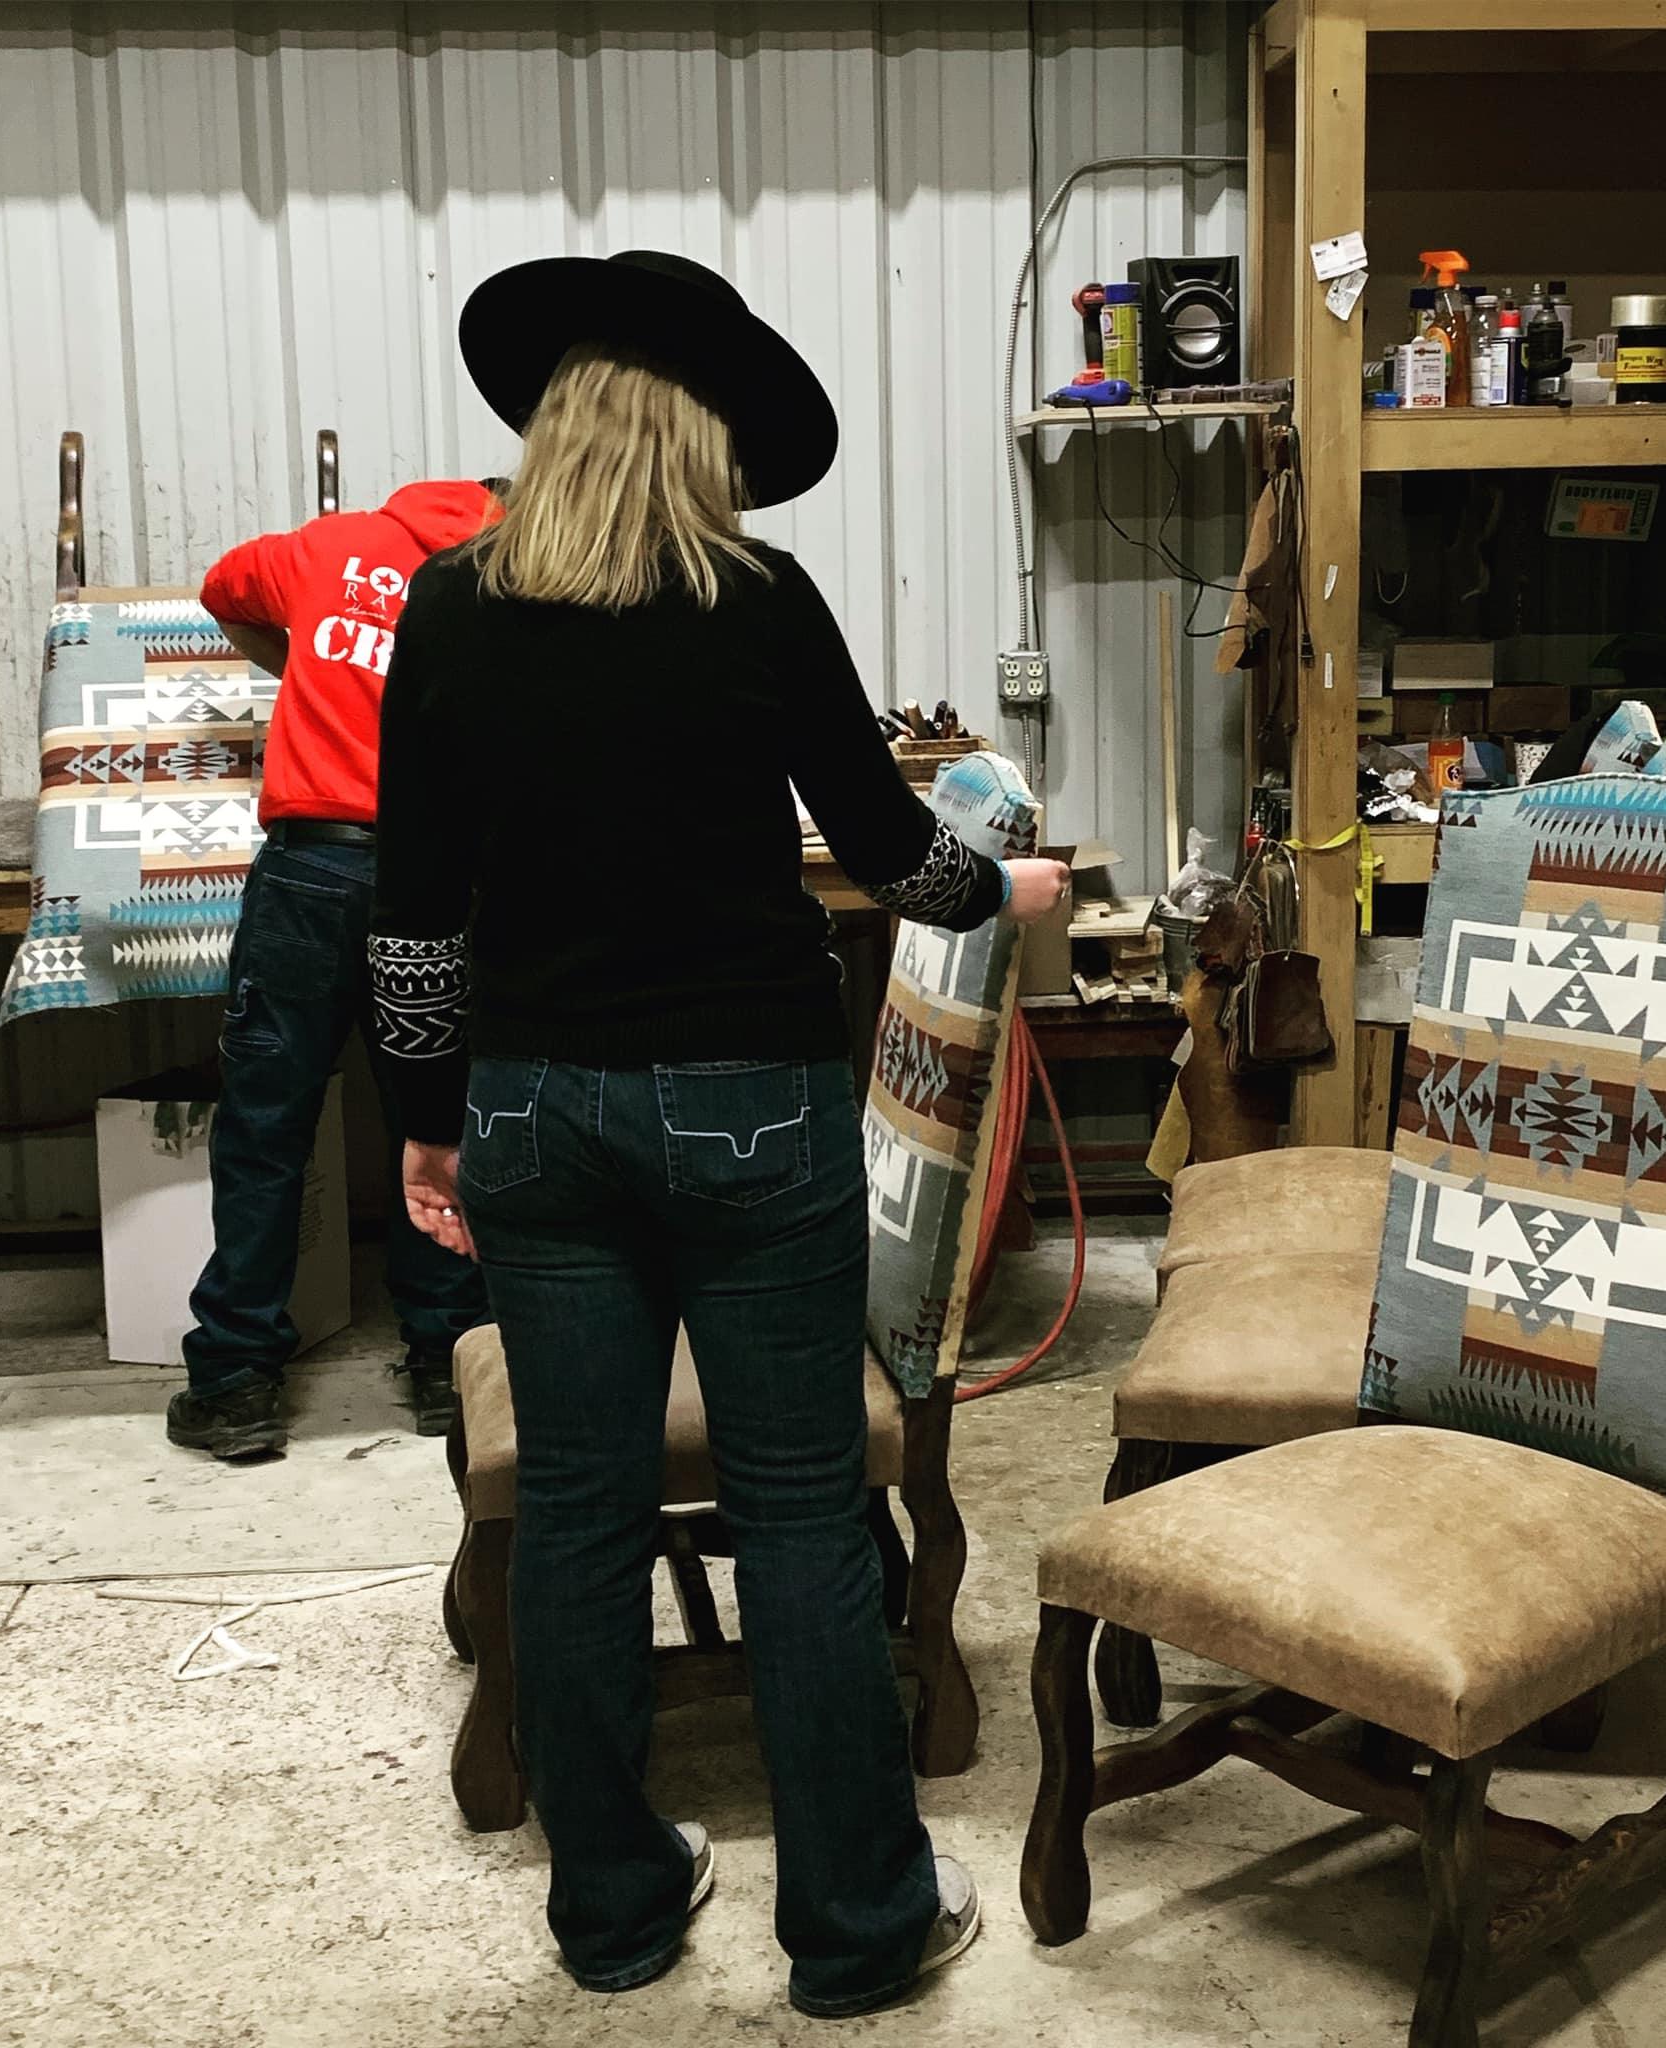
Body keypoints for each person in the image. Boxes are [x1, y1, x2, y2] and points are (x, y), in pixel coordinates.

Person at [369, 252, 1070, 2016]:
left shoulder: (448, 609)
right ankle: (853, 1927)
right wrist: (1016, 887)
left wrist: (424, 1124)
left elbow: (409, 910)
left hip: (533, 1103)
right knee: (804, 1515)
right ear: (702, 432)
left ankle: (611, 1908)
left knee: (583, 1519)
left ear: (549, 423)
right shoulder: (758, 599)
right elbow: (892, 852)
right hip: (751, 1101)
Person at [167, 479, 499, 1460]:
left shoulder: (338, 544)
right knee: (435, 1115)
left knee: (267, 1124)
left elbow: (224, 586)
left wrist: (301, 660)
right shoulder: (510, 574)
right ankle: (450, 1364)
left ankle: (234, 1380)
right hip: (443, 877)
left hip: (311, 864)